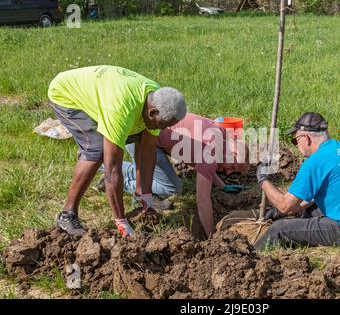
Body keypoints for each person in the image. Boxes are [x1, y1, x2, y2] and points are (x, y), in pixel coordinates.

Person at [48, 65, 187, 237]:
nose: (164, 129)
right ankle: (67, 214)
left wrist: (147, 198)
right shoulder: (121, 110)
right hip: (66, 94)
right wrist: (122, 222)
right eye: (163, 125)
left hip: (104, 93)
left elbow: (148, 151)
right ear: (152, 112)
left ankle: (138, 194)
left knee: (140, 135)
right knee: (97, 150)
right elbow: (112, 170)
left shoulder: (157, 98)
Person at [254, 112, 340, 250]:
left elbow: (284, 205)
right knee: (310, 208)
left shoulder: (315, 162)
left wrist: (262, 179)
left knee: (279, 229)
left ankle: (253, 256)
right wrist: (281, 212)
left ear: (306, 138)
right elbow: (309, 199)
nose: (296, 145)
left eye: (295, 140)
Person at [121, 113, 249, 237]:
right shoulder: (212, 152)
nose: (228, 172)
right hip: (142, 139)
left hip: (148, 133)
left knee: (166, 182)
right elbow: (202, 200)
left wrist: (223, 186)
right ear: (235, 153)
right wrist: (211, 234)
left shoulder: (221, 134)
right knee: (171, 188)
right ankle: (117, 176)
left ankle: (120, 174)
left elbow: (204, 168)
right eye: (233, 167)